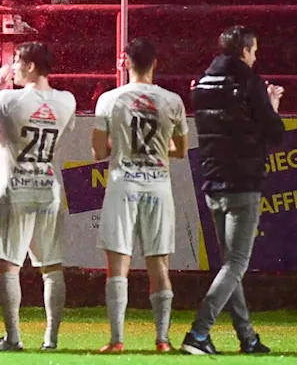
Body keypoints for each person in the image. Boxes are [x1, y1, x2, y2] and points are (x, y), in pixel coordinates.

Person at [182, 26, 284, 356]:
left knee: (230, 266)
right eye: (253, 51)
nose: (255, 58)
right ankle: (198, 333)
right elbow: (273, 132)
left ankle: (248, 338)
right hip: (243, 182)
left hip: (213, 180)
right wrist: (271, 104)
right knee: (237, 264)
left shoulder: (203, 85)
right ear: (244, 51)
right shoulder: (249, 83)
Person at [92, 37, 188, 354]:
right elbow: (181, 151)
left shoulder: (109, 99)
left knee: (117, 265)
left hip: (124, 183)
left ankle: (117, 339)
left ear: (125, 62)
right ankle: (162, 340)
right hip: (158, 184)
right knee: (158, 263)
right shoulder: (172, 100)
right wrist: (157, 147)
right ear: (155, 63)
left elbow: (97, 151)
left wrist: (121, 144)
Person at [0, 42, 76, 351]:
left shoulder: (8, 100)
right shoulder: (66, 100)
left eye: (17, 63)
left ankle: (14, 338)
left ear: (31, 66)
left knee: (8, 265)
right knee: (52, 266)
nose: (13, 69)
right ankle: (52, 339)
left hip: (16, 188)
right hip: (48, 187)